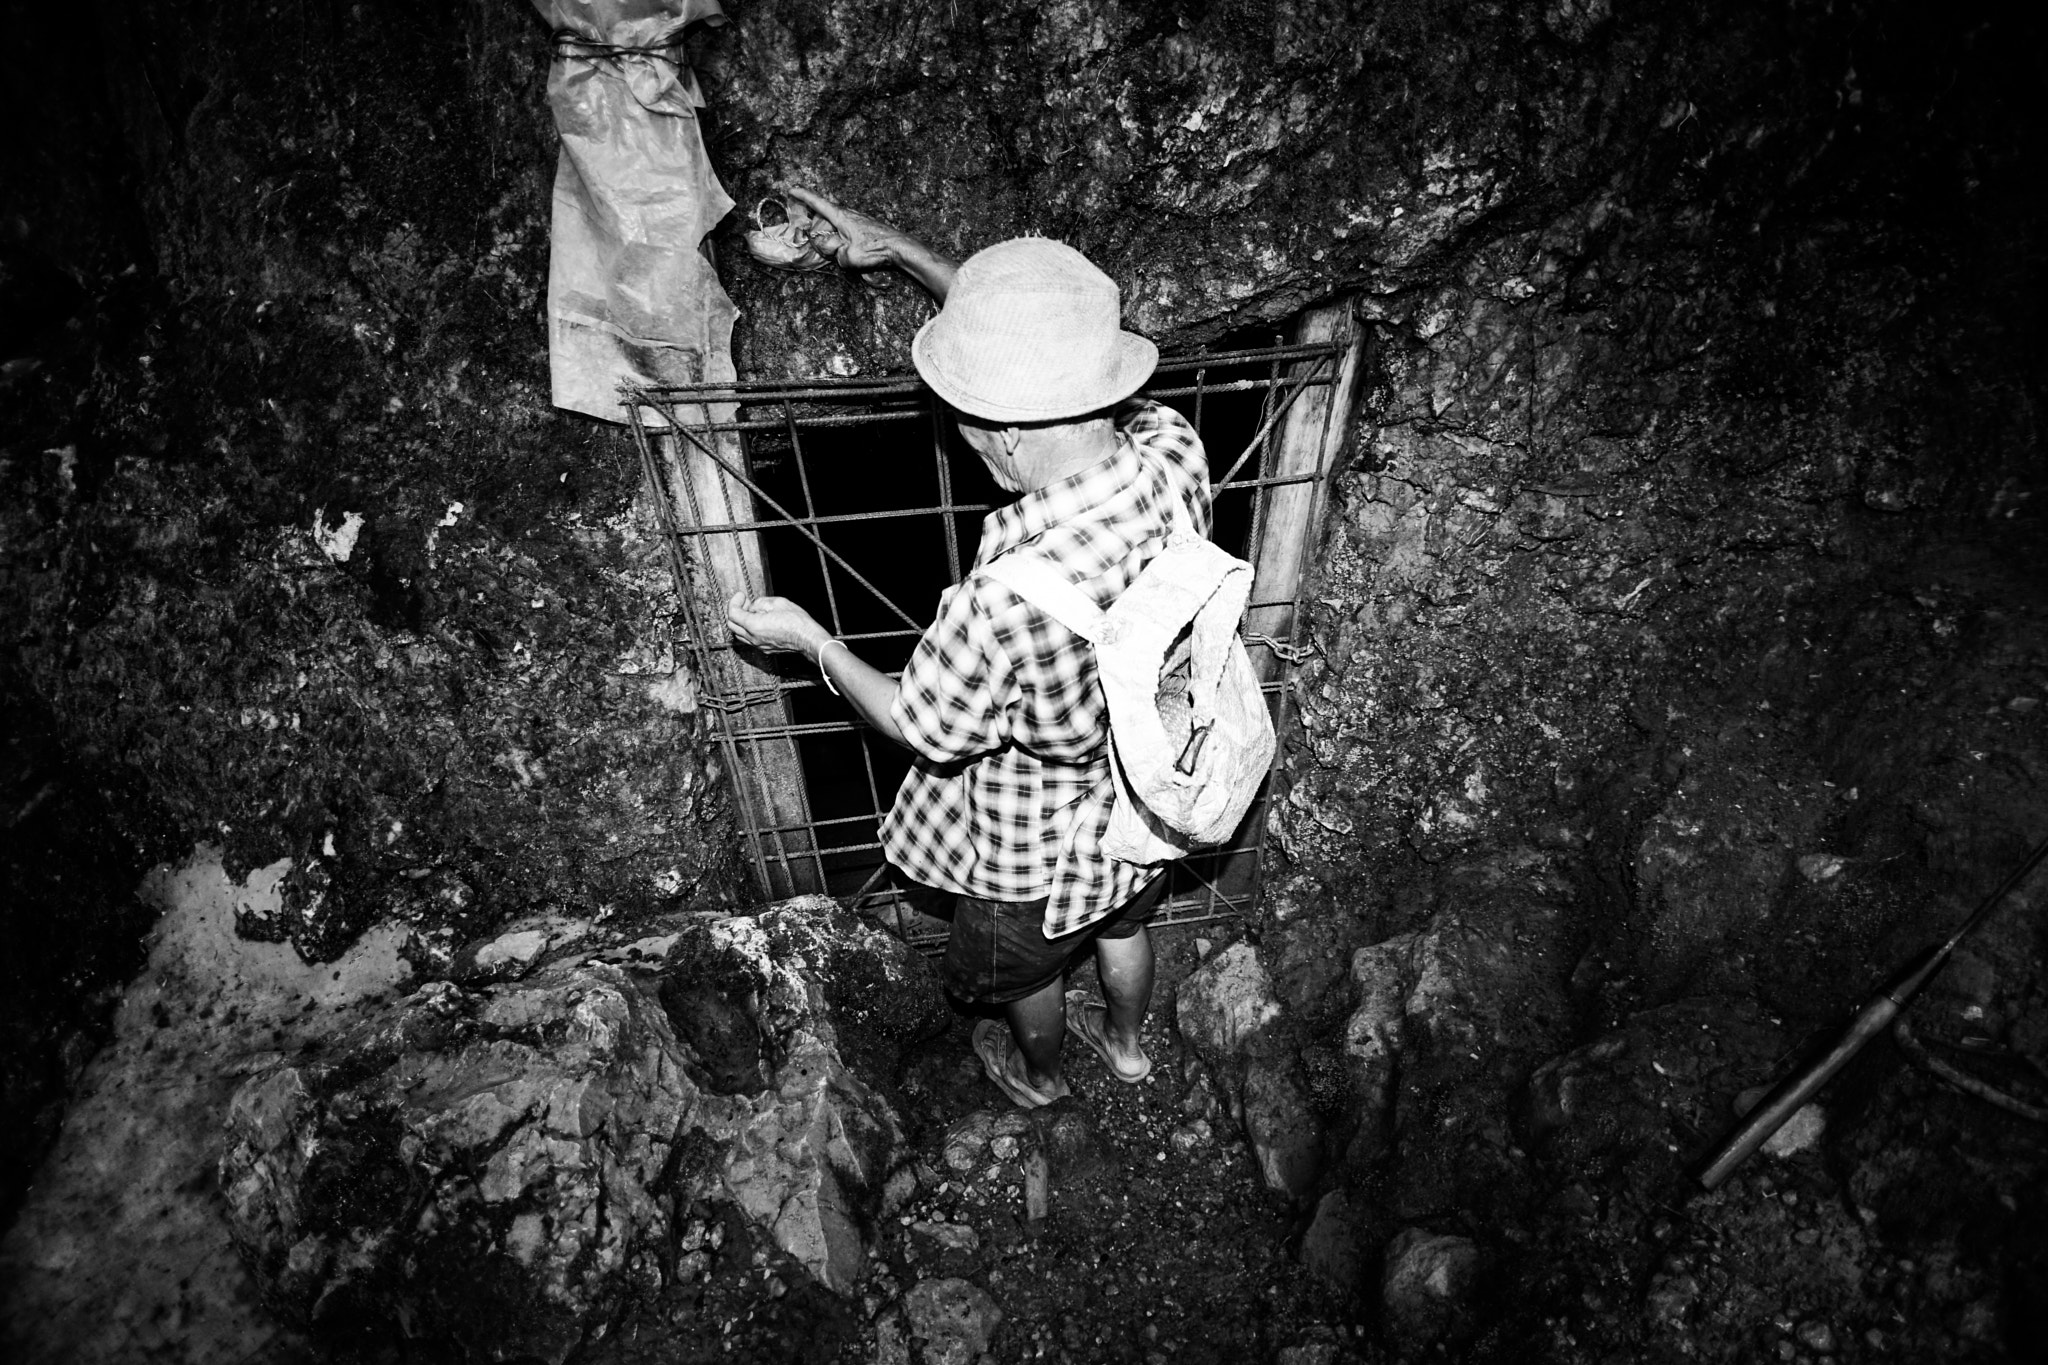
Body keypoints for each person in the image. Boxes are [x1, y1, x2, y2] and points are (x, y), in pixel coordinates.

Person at [724, 187, 1210, 1108]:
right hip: (1142, 809)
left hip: (1031, 846)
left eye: (963, 412)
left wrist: (810, 638)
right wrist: (903, 250)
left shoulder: (1002, 600)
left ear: (1000, 433)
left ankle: (1042, 1076)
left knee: (1027, 974)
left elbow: (922, 726)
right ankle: (1132, 1046)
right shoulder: (1171, 450)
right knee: (1123, 927)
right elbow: (1053, 361)